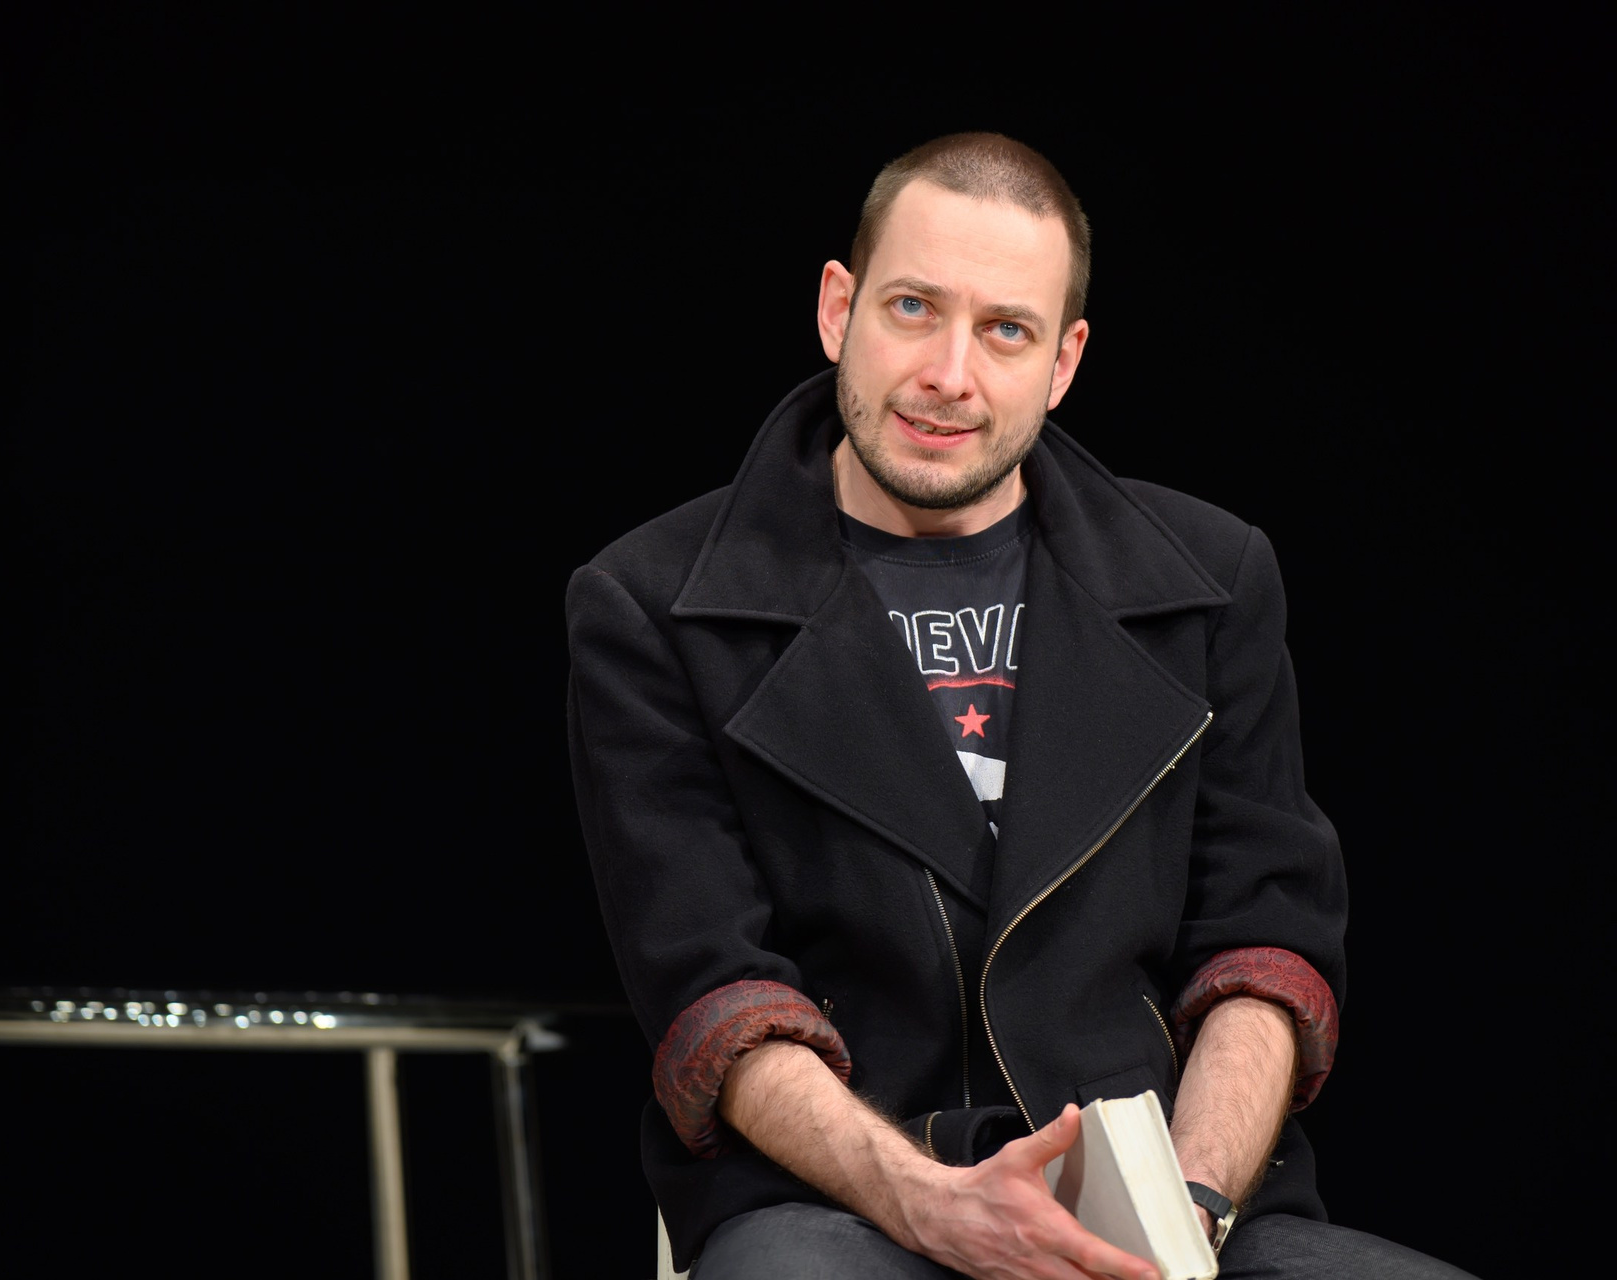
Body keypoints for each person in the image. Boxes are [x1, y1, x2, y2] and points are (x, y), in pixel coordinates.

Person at [564, 133, 1471, 1279]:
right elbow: (711, 988)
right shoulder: (654, 604)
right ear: (839, 309)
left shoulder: (1209, 579)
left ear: (1063, 361)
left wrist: (1182, 1213)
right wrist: (935, 1204)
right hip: (845, 1206)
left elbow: (1265, 941)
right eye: (912, 308)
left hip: (1170, 1207)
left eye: (1005, 330)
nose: (951, 372)